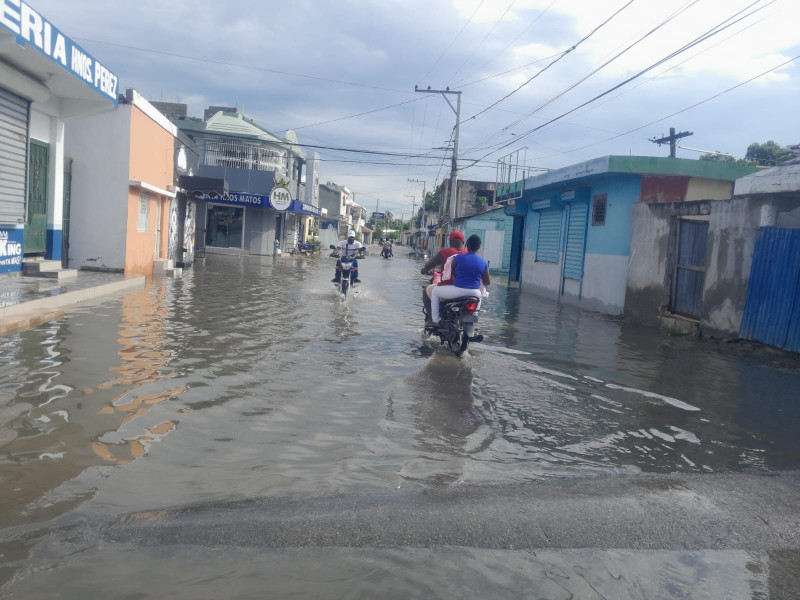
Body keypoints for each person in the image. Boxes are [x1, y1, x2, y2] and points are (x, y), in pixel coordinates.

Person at [427, 234, 490, 328]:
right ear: (479, 247)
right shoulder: (483, 262)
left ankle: (435, 321)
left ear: (467, 245)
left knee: (435, 291)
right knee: (478, 299)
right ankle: (473, 321)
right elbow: (487, 282)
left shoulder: (457, 258)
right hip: (475, 293)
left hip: (457, 291)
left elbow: (453, 273)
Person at [420, 231, 467, 321]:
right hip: (466, 290)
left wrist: (424, 270)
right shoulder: (468, 253)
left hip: (448, 288)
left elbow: (429, 265)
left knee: (426, 291)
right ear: (463, 243)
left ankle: (432, 320)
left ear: (450, 242)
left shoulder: (444, 252)